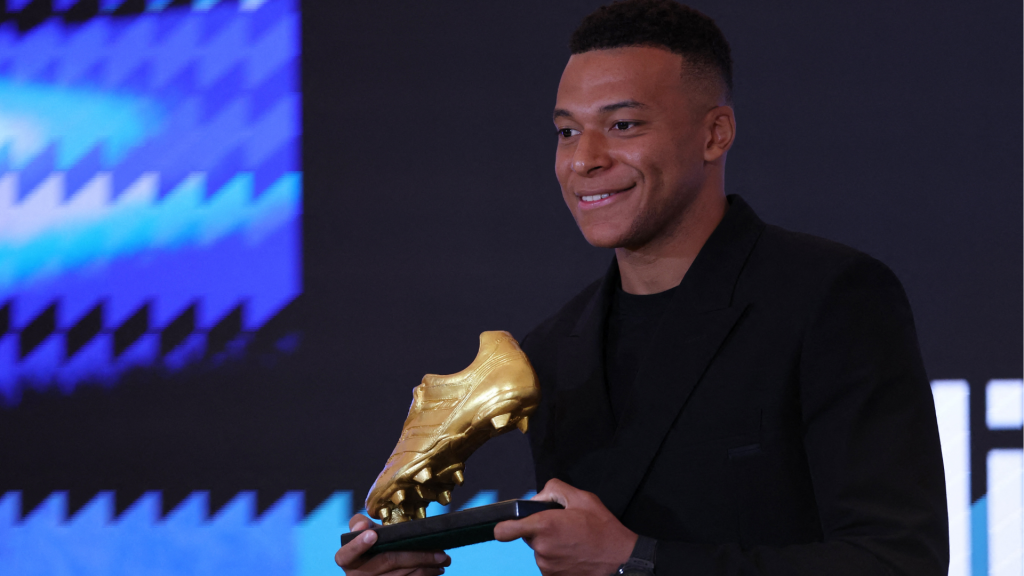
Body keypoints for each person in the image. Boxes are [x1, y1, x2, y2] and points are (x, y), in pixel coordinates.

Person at [335, 1, 949, 574]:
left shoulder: (831, 298)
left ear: (715, 134)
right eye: (567, 132)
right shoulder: (553, 353)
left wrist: (639, 560)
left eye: (623, 125)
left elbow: (899, 560)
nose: (584, 160)